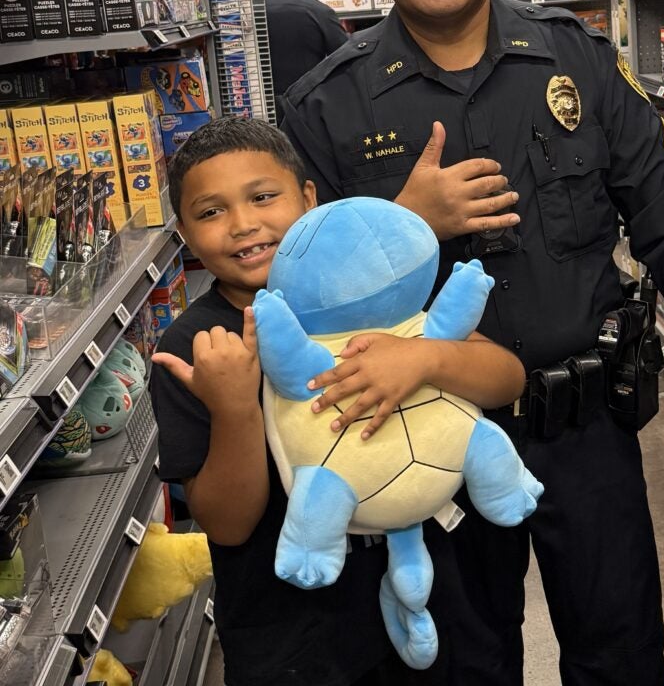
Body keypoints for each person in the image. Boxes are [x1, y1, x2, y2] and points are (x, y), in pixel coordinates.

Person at [278, 0, 664, 686]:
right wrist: (406, 222)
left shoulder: (577, 62)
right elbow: (291, 294)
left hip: (584, 429)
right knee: (459, 669)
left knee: (622, 658)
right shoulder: (327, 107)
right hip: (424, 439)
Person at [149, 115, 528, 686]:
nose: (243, 225)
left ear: (307, 198)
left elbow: (507, 377)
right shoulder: (196, 347)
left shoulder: (382, 293)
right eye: (210, 211)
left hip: (441, 588)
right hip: (295, 626)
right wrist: (234, 407)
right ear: (183, 230)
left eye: (262, 196)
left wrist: (423, 359)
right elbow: (227, 526)